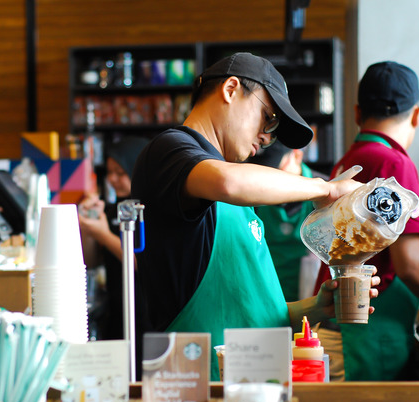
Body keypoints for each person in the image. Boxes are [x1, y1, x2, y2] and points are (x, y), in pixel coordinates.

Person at [130, 52, 379, 381]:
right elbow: (228, 182)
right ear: (231, 89)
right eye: (268, 118)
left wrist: (315, 308)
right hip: (198, 386)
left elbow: (254, 316)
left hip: (250, 384)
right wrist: (325, 189)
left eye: (272, 129)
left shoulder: (236, 196)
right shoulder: (171, 151)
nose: (266, 137)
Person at [311, 61, 419, 381]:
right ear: (416, 115)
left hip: (333, 332)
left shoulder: (348, 162)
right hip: (367, 340)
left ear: (357, 113)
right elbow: (411, 266)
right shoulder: (394, 163)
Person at [79, 136, 148, 340]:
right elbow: (91, 261)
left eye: (121, 172)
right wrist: (88, 227)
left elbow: (141, 262)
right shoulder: (111, 211)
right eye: (110, 172)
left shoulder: (151, 210)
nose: (113, 179)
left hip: (146, 313)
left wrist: (104, 234)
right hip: (116, 311)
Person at [252, 143, 328, 302]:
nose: (271, 180)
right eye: (265, 172)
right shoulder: (254, 194)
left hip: (313, 299)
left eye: (277, 170)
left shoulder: (326, 195)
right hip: (267, 297)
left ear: (297, 155)